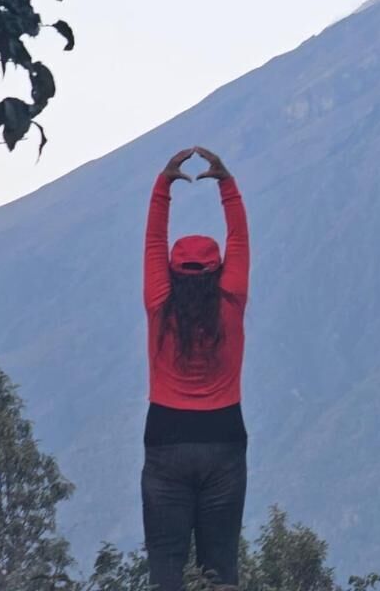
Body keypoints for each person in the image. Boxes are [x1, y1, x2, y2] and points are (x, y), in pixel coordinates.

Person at [141, 146, 251, 591]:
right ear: (219, 270)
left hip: (165, 438)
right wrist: (228, 184)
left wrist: (162, 185)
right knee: (219, 567)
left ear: (171, 272)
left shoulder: (158, 305)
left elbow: (152, 242)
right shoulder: (231, 303)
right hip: (224, 438)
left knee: (165, 568)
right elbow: (240, 240)